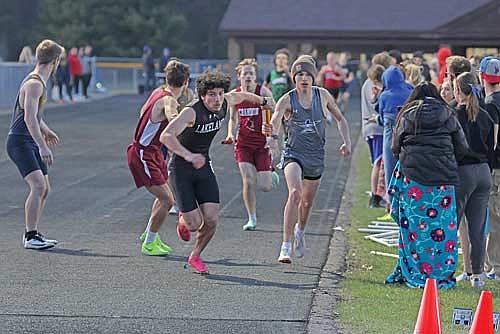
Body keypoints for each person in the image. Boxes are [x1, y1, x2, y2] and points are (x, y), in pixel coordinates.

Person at [161, 69, 274, 274]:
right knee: (194, 224)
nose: (217, 99)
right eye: (212, 94)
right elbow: (166, 136)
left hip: (204, 165)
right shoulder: (191, 112)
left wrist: (263, 102)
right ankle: (184, 222)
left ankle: (195, 256)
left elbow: (242, 96)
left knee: (212, 219)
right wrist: (188, 155)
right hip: (181, 167)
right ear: (203, 95)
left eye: (220, 94)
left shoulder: (225, 102)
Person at [263, 55, 351, 263]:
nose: (304, 78)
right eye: (299, 74)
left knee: (307, 202)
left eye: (307, 75)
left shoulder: (323, 96)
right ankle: (285, 246)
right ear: (294, 78)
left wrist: (347, 142)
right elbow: (275, 120)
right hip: (293, 153)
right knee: (295, 193)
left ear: (313, 77)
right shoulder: (287, 99)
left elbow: (340, 119)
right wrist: (272, 136)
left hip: (315, 156)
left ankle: (300, 231)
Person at [385, 82, 468, 289]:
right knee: (443, 229)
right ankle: (442, 270)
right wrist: (449, 161)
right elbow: (462, 146)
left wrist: (406, 159)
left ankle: (414, 269)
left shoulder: (407, 114)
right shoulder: (448, 114)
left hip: (414, 180)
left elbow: (395, 146)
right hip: (443, 182)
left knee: (413, 227)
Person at [127, 60, 191, 256]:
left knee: (164, 194)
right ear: (186, 82)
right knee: (167, 200)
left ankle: (149, 233)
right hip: (143, 154)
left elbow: (143, 111)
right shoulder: (169, 100)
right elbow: (172, 116)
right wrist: (186, 122)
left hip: (152, 151)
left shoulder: (158, 91)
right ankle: (149, 242)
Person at [6, 39, 64, 249]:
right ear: (55, 61)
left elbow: (35, 116)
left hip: (29, 139)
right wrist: (43, 145)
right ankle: (30, 236)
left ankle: (33, 232)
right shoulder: (34, 84)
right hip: (20, 142)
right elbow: (29, 118)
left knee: (45, 188)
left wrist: (46, 130)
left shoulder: (39, 82)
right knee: (38, 186)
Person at [224, 58, 279, 231]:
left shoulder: (263, 92)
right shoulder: (236, 95)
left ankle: (271, 173)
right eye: (245, 73)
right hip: (243, 144)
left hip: (262, 144)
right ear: (239, 76)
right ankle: (252, 218)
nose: (248, 76)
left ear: (256, 77)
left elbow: (275, 112)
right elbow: (232, 118)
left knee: (265, 186)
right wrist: (230, 134)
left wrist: (273, 136)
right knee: (248, 180)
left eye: (251, 74)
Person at [454, 72, 494, 287]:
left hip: (464, 171)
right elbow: (491, 146)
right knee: (478, 228)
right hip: (484, 172)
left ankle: (447, 270)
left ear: (458, 91)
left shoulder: (455, 115)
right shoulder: (485, 115)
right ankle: (478, 275)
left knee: (452, 222)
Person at [478, 57, 500, 280]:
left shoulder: (490, 103)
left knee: (494, 218)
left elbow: (492, 139)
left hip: (496, 167)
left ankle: (494, 266)